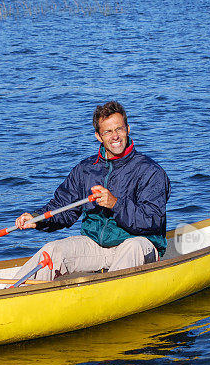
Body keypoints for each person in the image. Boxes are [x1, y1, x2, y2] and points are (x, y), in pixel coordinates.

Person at [14, 101, 170, 282]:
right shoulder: (85, 169)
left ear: (128, 129)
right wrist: (37, 219)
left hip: (140, 244)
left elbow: (152, 221)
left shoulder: (151, 171)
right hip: (96, 246)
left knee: (132, 247)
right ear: (98, 136)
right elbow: (63, 208)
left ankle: (108, 300)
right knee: (53, 250)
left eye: (119, 129)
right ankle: (10, 297)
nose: (115, 136)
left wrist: (115, 204)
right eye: (108, 132)